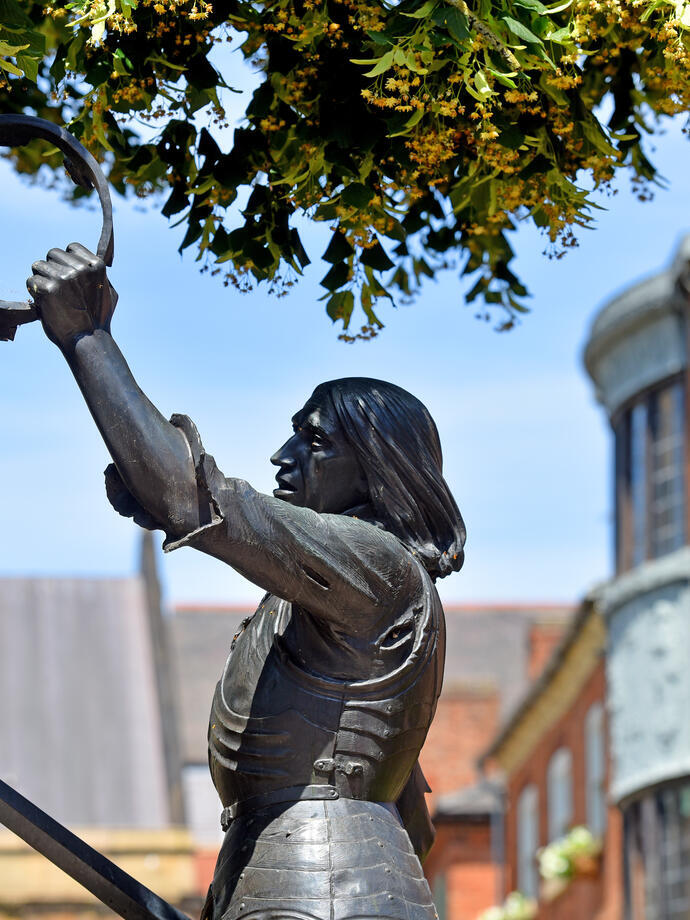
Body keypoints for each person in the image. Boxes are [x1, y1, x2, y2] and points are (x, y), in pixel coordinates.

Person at [27, 243, 466, 920]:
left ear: (376, 466)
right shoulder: (332, 589)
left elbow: (192, 499)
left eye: (313, 441)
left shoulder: (379, 566)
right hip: (282, 880)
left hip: (322, 890)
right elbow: (409, 807)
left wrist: (86, 336)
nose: (282, 456)